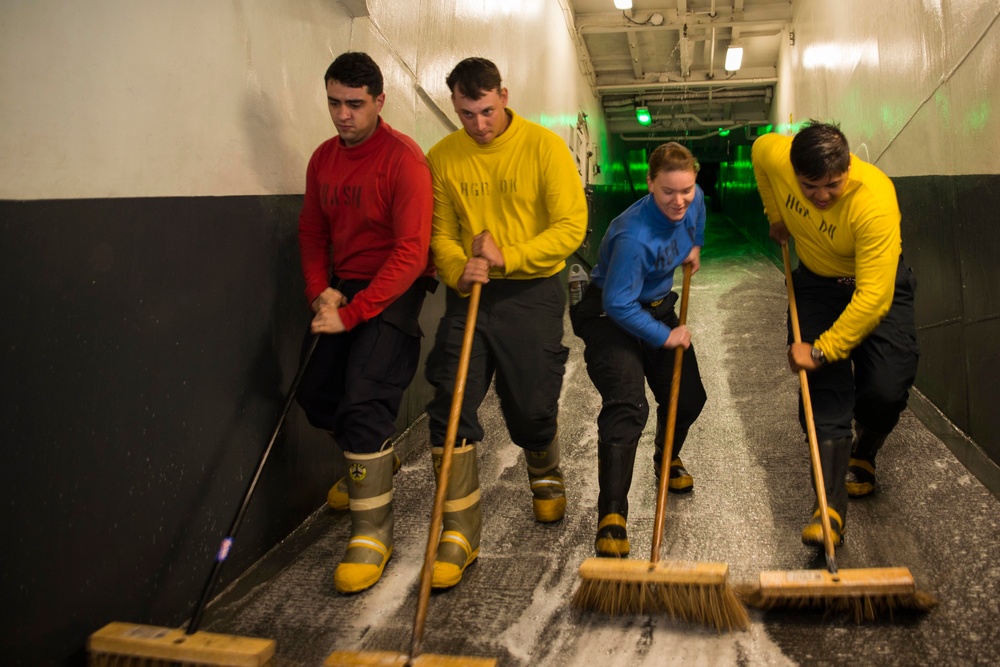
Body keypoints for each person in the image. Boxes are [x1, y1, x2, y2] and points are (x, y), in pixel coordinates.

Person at [423, 57, 588, 589]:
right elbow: (441, 233)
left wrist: (507, 256)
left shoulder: (544, 148)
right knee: (451, 403)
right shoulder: (443, 157)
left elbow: (570, 228)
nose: (478, 125)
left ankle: (543, 469)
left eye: (487, 111)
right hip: (471, 292)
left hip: (533, 291)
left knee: (532, 405)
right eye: (466, 114)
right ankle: (459, 532)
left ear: (505, 96)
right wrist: (458, 267)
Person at [296, 52, 435, 594]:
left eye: (355, 104)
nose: (343, 115)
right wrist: (319, 294)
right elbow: (311, 232)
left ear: (380, 101)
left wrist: (354, 312)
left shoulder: (404, 160)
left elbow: (410, 252)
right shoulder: (322, 158)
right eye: (334, 103)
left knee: (365, 399)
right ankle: (372, 455)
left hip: (395, 287)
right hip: (345, 286)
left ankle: (371, 536)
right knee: (317, 396)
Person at [751, 121, 919, 547]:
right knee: (824, 393)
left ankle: (864, 454)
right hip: (816, 284)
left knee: (885, 390)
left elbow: (874, 300)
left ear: (847, 167)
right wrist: (775, 214)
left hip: (873, 285)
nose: (822, 196)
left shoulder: (875, 199)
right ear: (795, 171)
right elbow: (758, 153)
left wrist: (822, 350)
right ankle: (828, 509)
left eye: (832, 185)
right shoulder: (777, 153)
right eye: (810, 187)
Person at [570, 142, 707, 557]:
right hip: (610, 317)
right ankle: (612, 515)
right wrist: (666, 337)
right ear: (650, 184)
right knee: (629, 404)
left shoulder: (693, 198)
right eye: (668, 192)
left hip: (656, 305)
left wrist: (694, 246)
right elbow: (618, 305)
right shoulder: (633, 235)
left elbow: (696, 220)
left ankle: (666, 457)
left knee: (688, 398)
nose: (679, 200)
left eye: (686, 189)